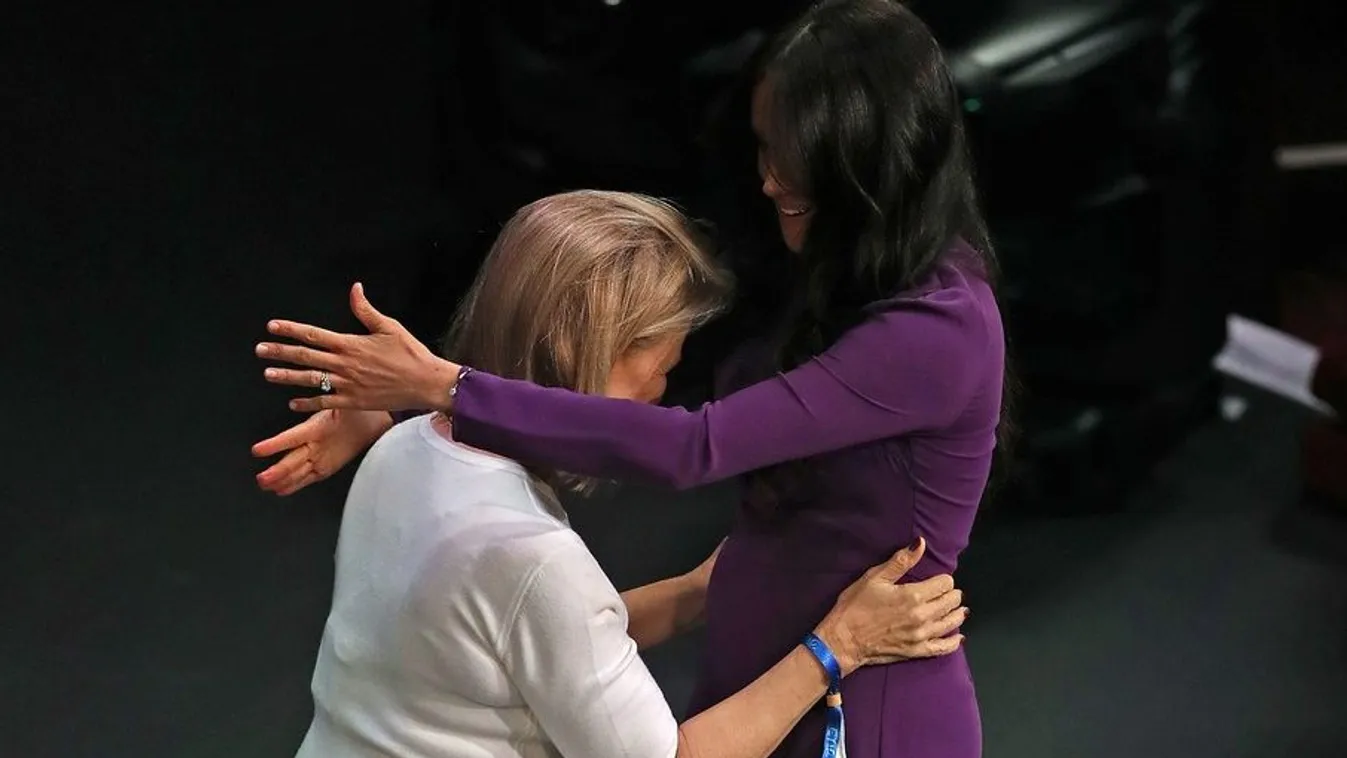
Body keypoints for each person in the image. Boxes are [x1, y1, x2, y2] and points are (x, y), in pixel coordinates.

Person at [256, 2, 1006, 755]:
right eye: (764, 146)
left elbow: (691, 445)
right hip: (776, 690)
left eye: (791, 157)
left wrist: (439, 396)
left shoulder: (933, 332)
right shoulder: (846, 275)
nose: (770, 179)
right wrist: (416, 404)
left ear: (857, 165)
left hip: (859, 711)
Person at [273, 189, 969, 758]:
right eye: (659, 367)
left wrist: (703, 589)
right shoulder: (533, 559)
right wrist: (836, 645)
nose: (661, 395)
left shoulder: (403, 449)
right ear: (591, 350)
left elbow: (534, 644)